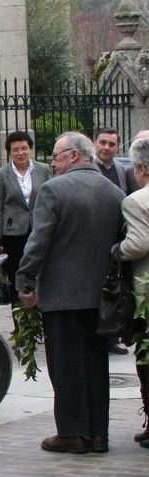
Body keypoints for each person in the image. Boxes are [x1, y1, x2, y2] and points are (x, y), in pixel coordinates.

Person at [16, 132, 125, 454]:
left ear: (74, 156)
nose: (54, 162)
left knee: (65, 365)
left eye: (57, 156)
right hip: (101, 297)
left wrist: (25, 280)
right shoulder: (114, 192)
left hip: (62, 297)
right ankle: (98, 434)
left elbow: (39, 241)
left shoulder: (53, 190)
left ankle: (72, 433)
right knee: (95, 363)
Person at [0, 131, 51, 323]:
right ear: (9, 152)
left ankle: (41, 318)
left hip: (38, 230)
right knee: (16, 276)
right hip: (13, 234)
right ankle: (21, 323)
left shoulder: (43, 170)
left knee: (40, 274)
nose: (20, 153)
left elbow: (50, 199)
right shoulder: (1, 174)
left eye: (24, 148)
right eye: (15, 150)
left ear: (31, 149)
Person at [112, 136, 149, 449]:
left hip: (146, 293)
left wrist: (116, 250)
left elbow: (137, 244)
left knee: (146, 359)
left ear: (140, 168)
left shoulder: (136, 201)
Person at [93, 127, 138, 355]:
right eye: (103, 142)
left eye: (111, 144)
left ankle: (113, 334)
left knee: (115, 288)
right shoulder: (90, 169)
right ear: (95, 143)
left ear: (117, 147)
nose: (106, 148)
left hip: (117, 239)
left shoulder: (124, 170)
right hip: (94, 238)